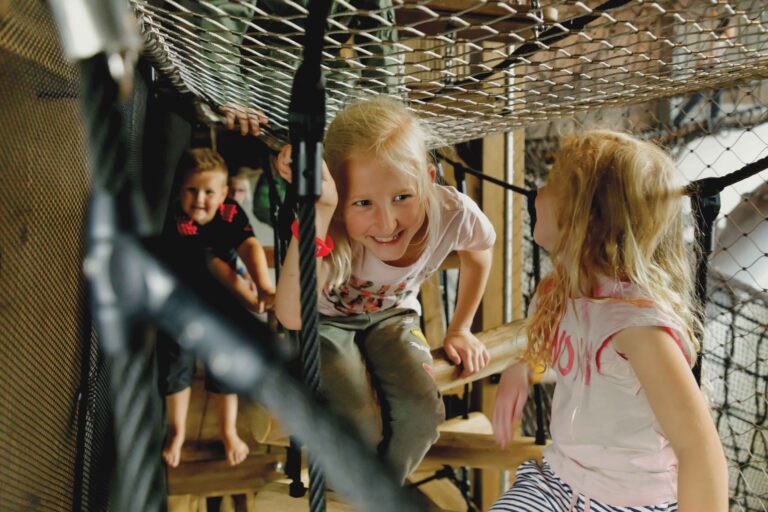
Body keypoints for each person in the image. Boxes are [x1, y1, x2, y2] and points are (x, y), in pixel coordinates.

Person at [490, 131, 728, 511]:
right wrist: (525, 369)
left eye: (550, 183)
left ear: (585, 219)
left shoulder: (638, 329)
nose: (537, 191)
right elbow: (573, 359)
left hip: (631, 501)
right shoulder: (563, 291)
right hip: (560, 482)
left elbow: (699, 449)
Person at [273, 97, 495, 482]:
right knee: (359, 421)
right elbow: (292, 315)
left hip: (393, 317)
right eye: (362, 203)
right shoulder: (331, 226)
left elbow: (480, 254)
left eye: (402, 197)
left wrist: (461, 327)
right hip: (326, 323)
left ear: (427, 179)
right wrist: (320, 211)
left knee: (423, 416)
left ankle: (376, 494)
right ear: (341, 201)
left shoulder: (453, 212)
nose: (387, 222)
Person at [158, 147, 276, 468]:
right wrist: (253, 301)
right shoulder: (179, 220)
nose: (199, 199)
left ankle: (228, 431)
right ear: (179, 191)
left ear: (224, 194)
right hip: (182, 298)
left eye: (209, 192)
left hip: (219, 293)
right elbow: (216, 270)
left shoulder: (230, 212)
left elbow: (248, 245)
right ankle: (177, 432)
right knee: (176, 369)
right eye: (191, 190)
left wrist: (264, 286)